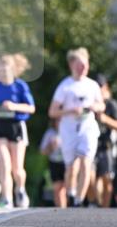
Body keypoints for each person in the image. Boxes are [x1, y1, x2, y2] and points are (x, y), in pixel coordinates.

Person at [48, 47, 104, 208]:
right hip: (69, 130)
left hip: (88, 128)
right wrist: (70, 110)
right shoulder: (65, 86)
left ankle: (79, 200)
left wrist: (94, 106)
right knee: (71, 167)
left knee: (86, 162)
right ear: (72, 65)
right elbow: (52, 111)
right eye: (80, 65)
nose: (83, 68)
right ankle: (71, 194)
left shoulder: (92, 85)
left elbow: (101, 106)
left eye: (85, 65)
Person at [0, 54, 35, 208]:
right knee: (4, 164)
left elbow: (31, 108)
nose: (2, 75)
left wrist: (14, 106)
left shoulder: (20, 86)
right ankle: (7, 198)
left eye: (5, 72)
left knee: (17, 169)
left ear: (13, 71)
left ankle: (20, 189)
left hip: (16, 126)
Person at [94, 74, 117, 208]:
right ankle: (95, 205)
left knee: (106, 178)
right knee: (93, 178)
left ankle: (104, 210)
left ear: (105, 87)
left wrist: (105, 120)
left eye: (100, 86)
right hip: (92, 145)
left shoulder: (111, 105)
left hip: (106, 145)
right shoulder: (90, 103)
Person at [40, 118, 67, 208]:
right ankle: (60, 210)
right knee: (57, 188)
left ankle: (66, 208)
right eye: (57, 120)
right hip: (54, 163)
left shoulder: (69, 132)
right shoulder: (50, 133)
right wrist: (51, 146)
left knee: (65, 189)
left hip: (66, 163)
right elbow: (43, 151)